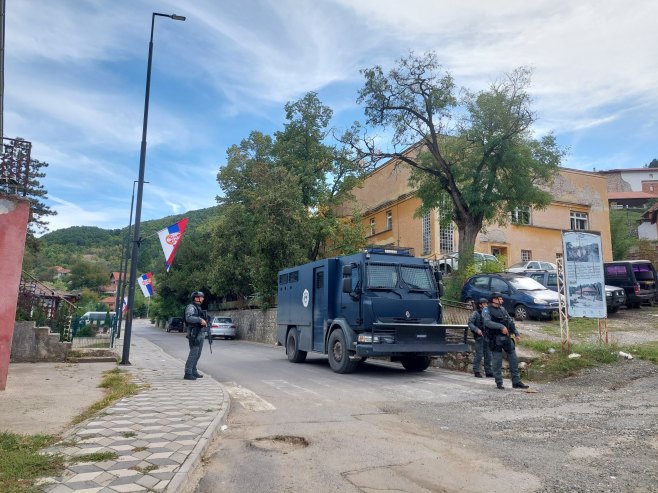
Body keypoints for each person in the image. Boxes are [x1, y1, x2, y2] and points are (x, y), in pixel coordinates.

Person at [482, 292, 529, 390]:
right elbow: (487, 322)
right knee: (497, 362)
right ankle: (499, 382)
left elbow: (510, 321)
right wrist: (501, 327)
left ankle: (516, 382)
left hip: (507, 339)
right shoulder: (486, 310)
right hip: (495, 339)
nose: (502, 300)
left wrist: (516, 333)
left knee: (514, 361)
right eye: (500, 298)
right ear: (494, 299)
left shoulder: (503, 309)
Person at [184, 291, 208, 381]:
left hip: (200, 333)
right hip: (194, 334)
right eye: (201, 297)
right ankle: (188, 372)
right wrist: (199, 319)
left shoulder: (197, 307)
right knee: (193, 353)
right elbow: (188, 318)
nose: (202, 299)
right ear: (196, 298)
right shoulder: (191, 307)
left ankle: (193, 370)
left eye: (202, 297)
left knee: (198, 353)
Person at [468, 298, 493, 378]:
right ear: (480, 305)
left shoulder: (488, 313)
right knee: (479, 354)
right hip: (479, 337)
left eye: (487, 303)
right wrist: (477, 330)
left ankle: (489, 371)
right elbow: (470, 323)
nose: (486, 305)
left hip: (488, 336)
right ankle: (477, 371)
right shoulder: (475, 313)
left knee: (489, 355)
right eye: (484, 304)